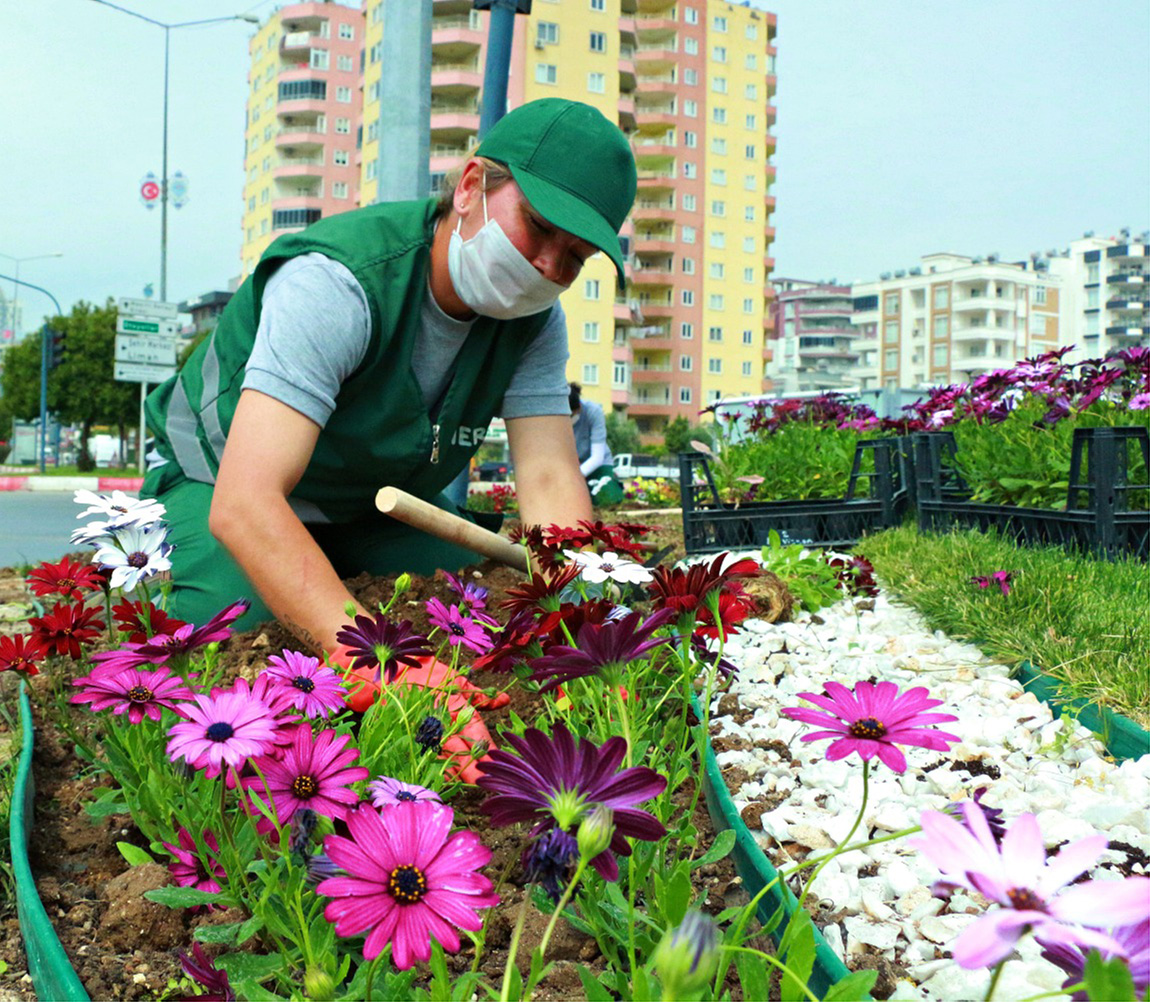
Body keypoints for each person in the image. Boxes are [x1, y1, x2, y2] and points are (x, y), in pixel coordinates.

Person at [140, 97, 638, 667]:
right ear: (470, 186)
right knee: (229, 632)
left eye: (576, 256)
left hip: (366, 506)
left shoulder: (534, 324)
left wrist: (585, 608)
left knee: (477, 595)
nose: (550, 265)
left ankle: (328, 563)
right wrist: (378, 663)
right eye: (539, 226)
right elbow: (246, 504)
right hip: (216, 479)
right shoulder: (337, 283)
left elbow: (549, 474)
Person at [569, 382, 624, 506]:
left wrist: (575, 477)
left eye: (572, 415)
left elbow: (597, 457)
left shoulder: (593, 412)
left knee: (607, 500)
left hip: (598, 465)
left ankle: (613, 484)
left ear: (579, 407)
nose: (570, 418)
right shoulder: (553, 418)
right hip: (569, 466)